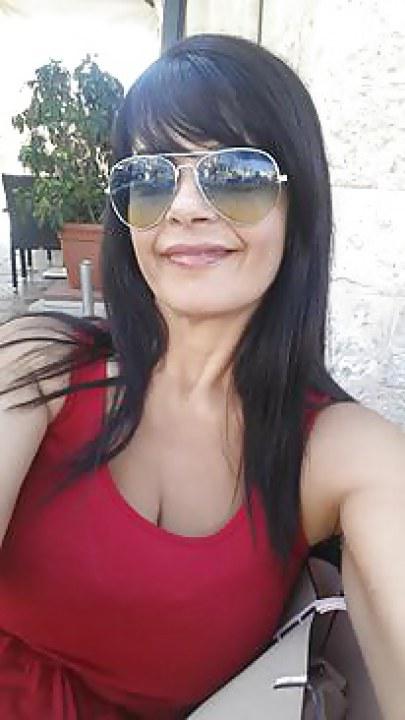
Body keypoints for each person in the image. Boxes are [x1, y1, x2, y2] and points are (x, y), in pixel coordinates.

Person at [0, 32, 403, 720]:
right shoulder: (41, 362)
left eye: (235, 174)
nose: (184, 207)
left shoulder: (337, 451)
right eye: (151, 178)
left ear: (298, 206)